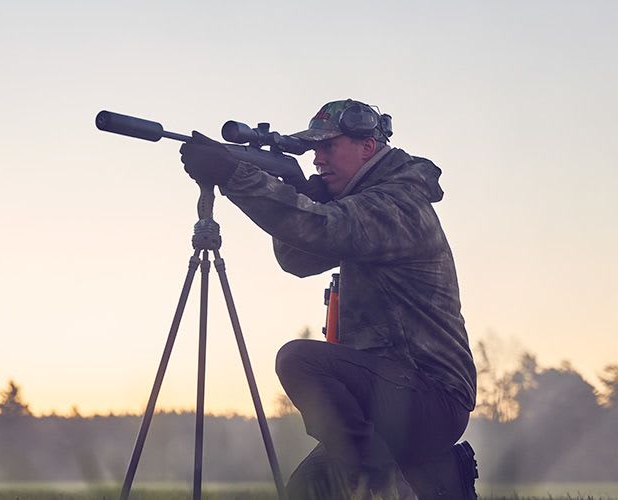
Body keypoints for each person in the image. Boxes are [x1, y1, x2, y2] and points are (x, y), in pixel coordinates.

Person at [179, 99, 478, 500]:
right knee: (306, 490)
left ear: (367, 146)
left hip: (429, 397)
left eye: (328, 147)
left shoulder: (399, 204)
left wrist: (237, 176)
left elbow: (320, 230)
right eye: (314, 150)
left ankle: (377, 488)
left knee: (298, 359)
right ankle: (414, 482)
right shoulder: (369, 202)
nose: (318, 159)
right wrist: (302, 193)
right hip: (383, 391)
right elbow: (298, 256)